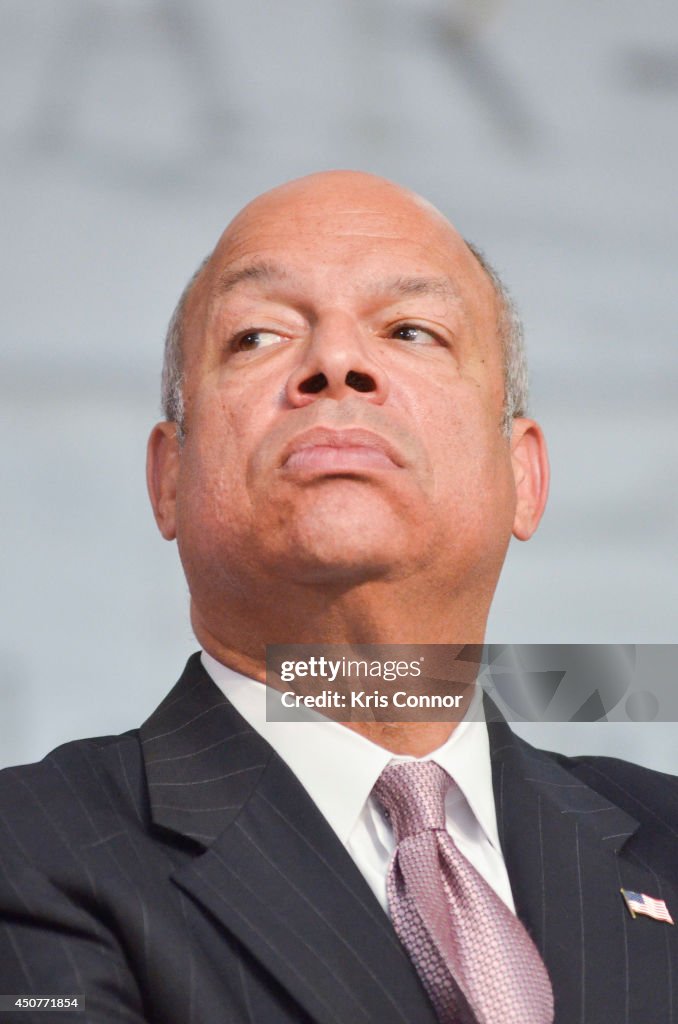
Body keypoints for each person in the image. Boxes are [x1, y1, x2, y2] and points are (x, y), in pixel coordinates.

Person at [0, 171, 676, 1024]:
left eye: (412, 330)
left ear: (523, 475)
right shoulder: (28, 851)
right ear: (169, 477)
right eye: (256, 336)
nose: (337, 364)